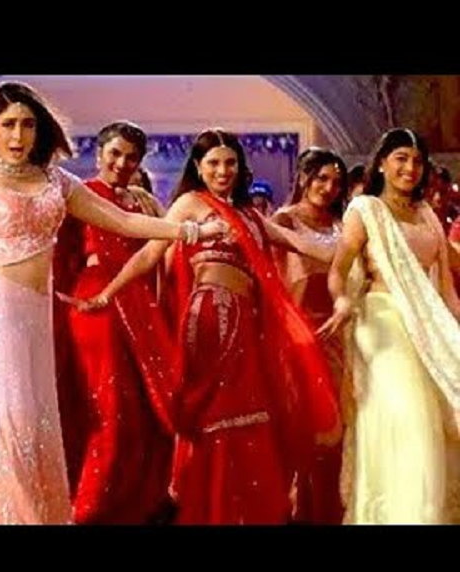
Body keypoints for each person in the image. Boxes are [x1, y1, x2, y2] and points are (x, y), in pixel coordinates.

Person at [0, 81, 209, 525]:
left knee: (34, 428)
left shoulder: (56, 181)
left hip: (35, 318)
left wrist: (187, 231)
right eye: (8, 124)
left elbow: (122, 220)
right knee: (6, 428)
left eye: (27, 124)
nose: (18, 134)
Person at [69, 128, 341, 525]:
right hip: (212, 319)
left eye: (230, 162)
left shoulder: (250, 216)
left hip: (248, 324)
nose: (222, 170)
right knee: (217, 414)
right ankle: (211, 509)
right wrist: (107, 294)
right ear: (198, 167)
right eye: (213, 163)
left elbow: (304, 245)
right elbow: (149, 255)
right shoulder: (190, 205)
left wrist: (365, 243)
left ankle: (245, 512)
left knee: (252, 414)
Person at [318, 128, 460, 524]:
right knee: (413, 417)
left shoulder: (427, 214)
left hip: (426, 324)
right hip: (381, 322)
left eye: (417, 161)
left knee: (438, 418)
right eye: (401, 158)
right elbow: (338, 270)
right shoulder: (365, 210)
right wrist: (342, 299)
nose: (410, 168)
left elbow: (445, 288)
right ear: (381, 163)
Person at [53, 120, 174, 524]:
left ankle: (134, 502)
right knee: (107, 405)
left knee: (144, 408)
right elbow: (59, 252)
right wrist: (63, 298)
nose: (122, 163)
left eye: (131, 157)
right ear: (99, 154)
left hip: (138, 304)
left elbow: (160, 252)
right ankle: (89, 505)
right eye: (115, 153)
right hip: (96, 304)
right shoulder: (80, 193)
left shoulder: (141, 202)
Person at [271, 147, 348, 524]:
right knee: (304, 428)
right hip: (298, 335)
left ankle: (329, 512)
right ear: (304, 178)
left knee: (337, 428)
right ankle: (299, 512)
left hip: (339, 333)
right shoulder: (283, 220)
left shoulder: (343, 224)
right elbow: (272, 280)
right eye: (321, 179)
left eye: (336, 182)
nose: (328, 188)